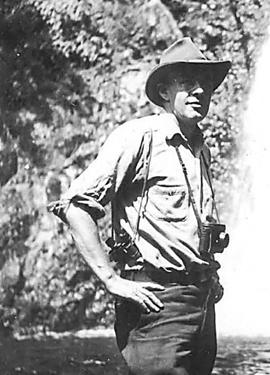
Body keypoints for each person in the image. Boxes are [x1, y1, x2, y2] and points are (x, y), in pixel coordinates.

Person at [48, 37, 231, 375]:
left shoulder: (200, 148)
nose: (199, 91)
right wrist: (112, 280)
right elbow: (76, 206)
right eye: (187, 82)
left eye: (205, 83)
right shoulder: (138, 137)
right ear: (163, 91)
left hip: (200, 302)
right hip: (156, 301)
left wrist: (211, 273)